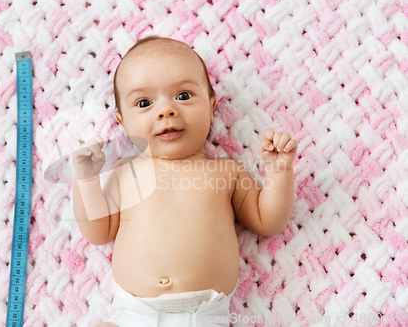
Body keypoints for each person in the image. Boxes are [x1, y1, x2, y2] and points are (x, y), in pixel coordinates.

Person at [72, 35, 298, 327]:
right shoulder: (126, 173)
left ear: (211, 105)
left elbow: (268, 221)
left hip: (202, 316)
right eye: (144, 102)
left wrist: (279, 172)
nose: (166, 110)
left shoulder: (226, 173)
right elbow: (98, 232)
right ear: (123, 122)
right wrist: (86, 180)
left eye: (183, 96)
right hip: (133, 315)